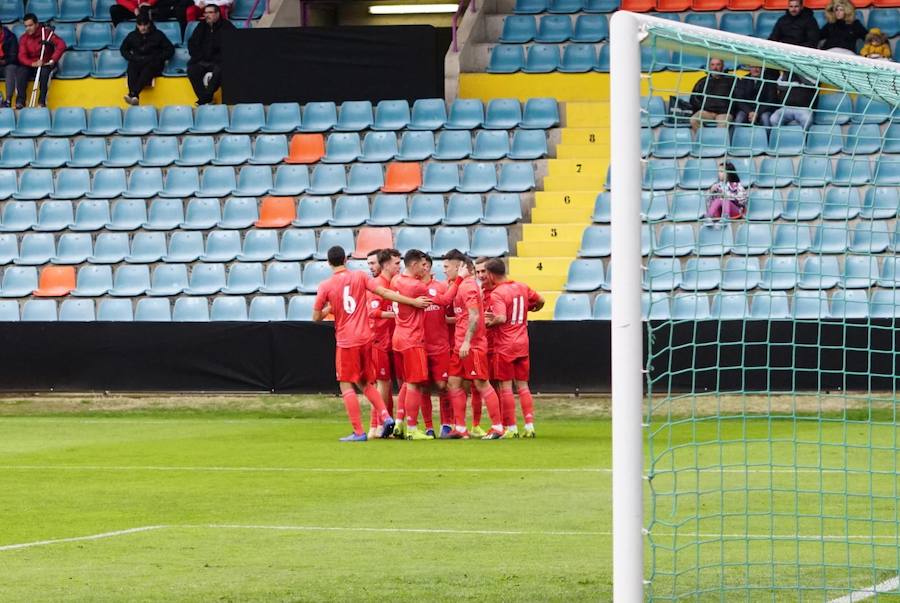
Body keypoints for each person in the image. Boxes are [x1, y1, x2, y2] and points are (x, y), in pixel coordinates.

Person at [312, 245, 429, 442]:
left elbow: (316, 317)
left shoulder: (326, 285)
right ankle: (385, 416)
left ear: (329, 262)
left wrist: (329, 308)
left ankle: (358, 431)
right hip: (366, 338)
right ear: (346, 259)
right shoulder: (359, 276)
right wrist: (412, 302)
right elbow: (384, 293)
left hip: (346, 341)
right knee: (366, 382)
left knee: (346, 385)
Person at [388, 249, 460, 440]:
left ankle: (403, 423)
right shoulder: (417, 287)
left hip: (404, 338)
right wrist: (460, 279)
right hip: (414, 340)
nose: (425, 267)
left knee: (425, 384)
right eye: (421, 264)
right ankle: (413, 428)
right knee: (415, 385)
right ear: (413, 265)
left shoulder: (396, 280)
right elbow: (444, 300)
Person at [444, 249, 505, 440]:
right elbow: (463, 315)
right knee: (453, 383)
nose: (444, 270)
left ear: (459, 266)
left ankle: (497, 428)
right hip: (460, 344)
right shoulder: (460, 285)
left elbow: (474, 315)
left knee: (481, 383)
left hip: (471, 345)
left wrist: (467, 342)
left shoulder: (468, 286)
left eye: (447, 267)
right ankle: (461, 429)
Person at [483, 259, 544, 439]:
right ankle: (529, 425)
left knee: (506, 386)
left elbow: (501, 318)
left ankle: (511, 427)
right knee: (523, 385)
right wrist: (532, 308)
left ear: (491, 275)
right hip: (522, 342)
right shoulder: (521, 286)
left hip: (505, 345)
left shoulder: (497, 293)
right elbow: (541, 300)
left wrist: (489, 323)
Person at [365, 248, 400, 439]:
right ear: (386, 264)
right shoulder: (377, 284)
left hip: (391, 339)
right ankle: (375, 425)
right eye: (396, 263)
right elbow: (372, 312)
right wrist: (397, 313)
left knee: (387, 385)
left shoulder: (394, 283)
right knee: (382, 384)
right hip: (378, 339)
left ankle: (388, 425)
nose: (399, 266)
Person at [420, 255, 454, 439]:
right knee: (423, 387)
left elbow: (451, 315)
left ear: (430, 267)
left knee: (443, 386)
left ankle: (446, 424)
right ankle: (428, 427)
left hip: (440, 346)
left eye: (426, 264)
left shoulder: (441, 288)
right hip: (420, 346)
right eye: (421, 264)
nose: (423, 268)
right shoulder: (412, 289)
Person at [120, 14, 175, 106]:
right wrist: (132, 57)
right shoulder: (132, 35)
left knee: (148, 68)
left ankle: (133, 94)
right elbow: (123, 49)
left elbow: (170, 50)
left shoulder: (158, 35)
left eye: (145, 25)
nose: (143, 27)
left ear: (149, 24)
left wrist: (158, 58)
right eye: (140, 25)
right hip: (138, 61)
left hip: (154, 62)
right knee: (132, 67)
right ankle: (134, 95)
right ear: (137, 25)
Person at [186, 3, 235, 105]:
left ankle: (205, 98)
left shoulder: (227, 26)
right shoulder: (201, 25)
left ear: (217, 14)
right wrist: (198, 57)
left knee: (219, 71)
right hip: (202, 60)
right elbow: (192, 43)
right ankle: (206, 98)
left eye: (210, 12)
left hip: (219, 61)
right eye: (206, 13)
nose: (207, 15)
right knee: (192, 70)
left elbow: (233, 45)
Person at [15, 14, 66, 109]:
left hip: (46, 63)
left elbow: (61, 45)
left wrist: (52, 60)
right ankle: (20, 101)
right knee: (21, 72)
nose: (28, 28)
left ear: (36, 24)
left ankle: (42, 102)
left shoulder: (46, 34)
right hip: (32, 64)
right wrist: (32, 63)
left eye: (30, 25)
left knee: (44, 73)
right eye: (26, 26)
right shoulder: (24, 38)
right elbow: (21, 56)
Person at [689, 58, 735, 131]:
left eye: (718, 64)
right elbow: (694, 98)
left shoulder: (732, 80)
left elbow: (737, 98)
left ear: (723, 66)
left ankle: (718, 142)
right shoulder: (703, 81)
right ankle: (702, 140)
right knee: (694, 120)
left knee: (723, 124)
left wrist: (728, 109)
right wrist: (704, 106)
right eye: (712, 65)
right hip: (707, 112)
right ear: (709, 66)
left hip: (724, 113)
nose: (715, 67)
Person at [0, 24, 18, 108]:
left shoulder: (10, 37)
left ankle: (8, 100)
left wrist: (3, 61)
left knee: (11, 69)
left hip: (7, 63)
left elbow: (13, 57)